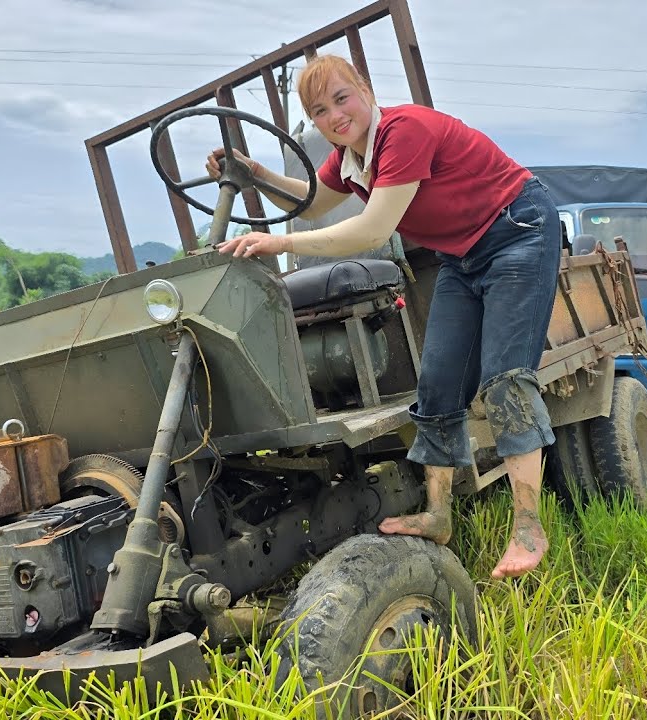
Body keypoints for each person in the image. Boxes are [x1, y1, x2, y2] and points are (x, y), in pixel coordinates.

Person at [208, 55, 561, 579]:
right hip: (462, 257)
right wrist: (254, 172)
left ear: (366, 91)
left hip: (517, 230)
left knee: (505, 381)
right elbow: (311, 203)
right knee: (438, 385)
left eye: (342, 98)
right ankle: (438, 514)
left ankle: (529, 528)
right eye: (319, 110)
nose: (334, 115)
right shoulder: (348, 159)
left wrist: (276, 242)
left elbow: (372, 231)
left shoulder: (404, 131)